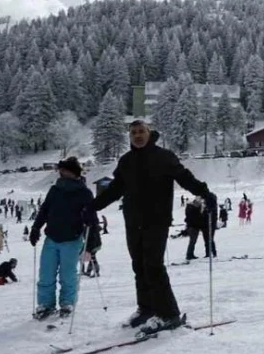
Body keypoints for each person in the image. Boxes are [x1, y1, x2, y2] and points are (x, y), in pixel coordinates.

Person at [92, 120, 217, 335]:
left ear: (149, 134)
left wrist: (204, 191)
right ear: (129, 136)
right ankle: (147, 308)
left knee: (153, 266)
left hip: (156, 220)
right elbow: (114, 190)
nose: (138, 135)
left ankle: (169, 314)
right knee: (138, 265)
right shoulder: (126, 161)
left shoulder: (164, 157)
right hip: (133, 221)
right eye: (134, 133)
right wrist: (92, 207)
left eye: (142, 132)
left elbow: (183, 177)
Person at [30, 157, 99, 320]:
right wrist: (35, 228)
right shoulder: (55, 190)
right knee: (46, 273)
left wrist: (91, 242)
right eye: (61, 171)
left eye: (65, 170)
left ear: (74, 173)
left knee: (67, 274)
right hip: (52, 237)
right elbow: (45, 210)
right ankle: (46, 304)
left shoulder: (84, 192)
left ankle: (67, 303)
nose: (61, 173)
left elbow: (92, 219)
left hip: (72, 239)